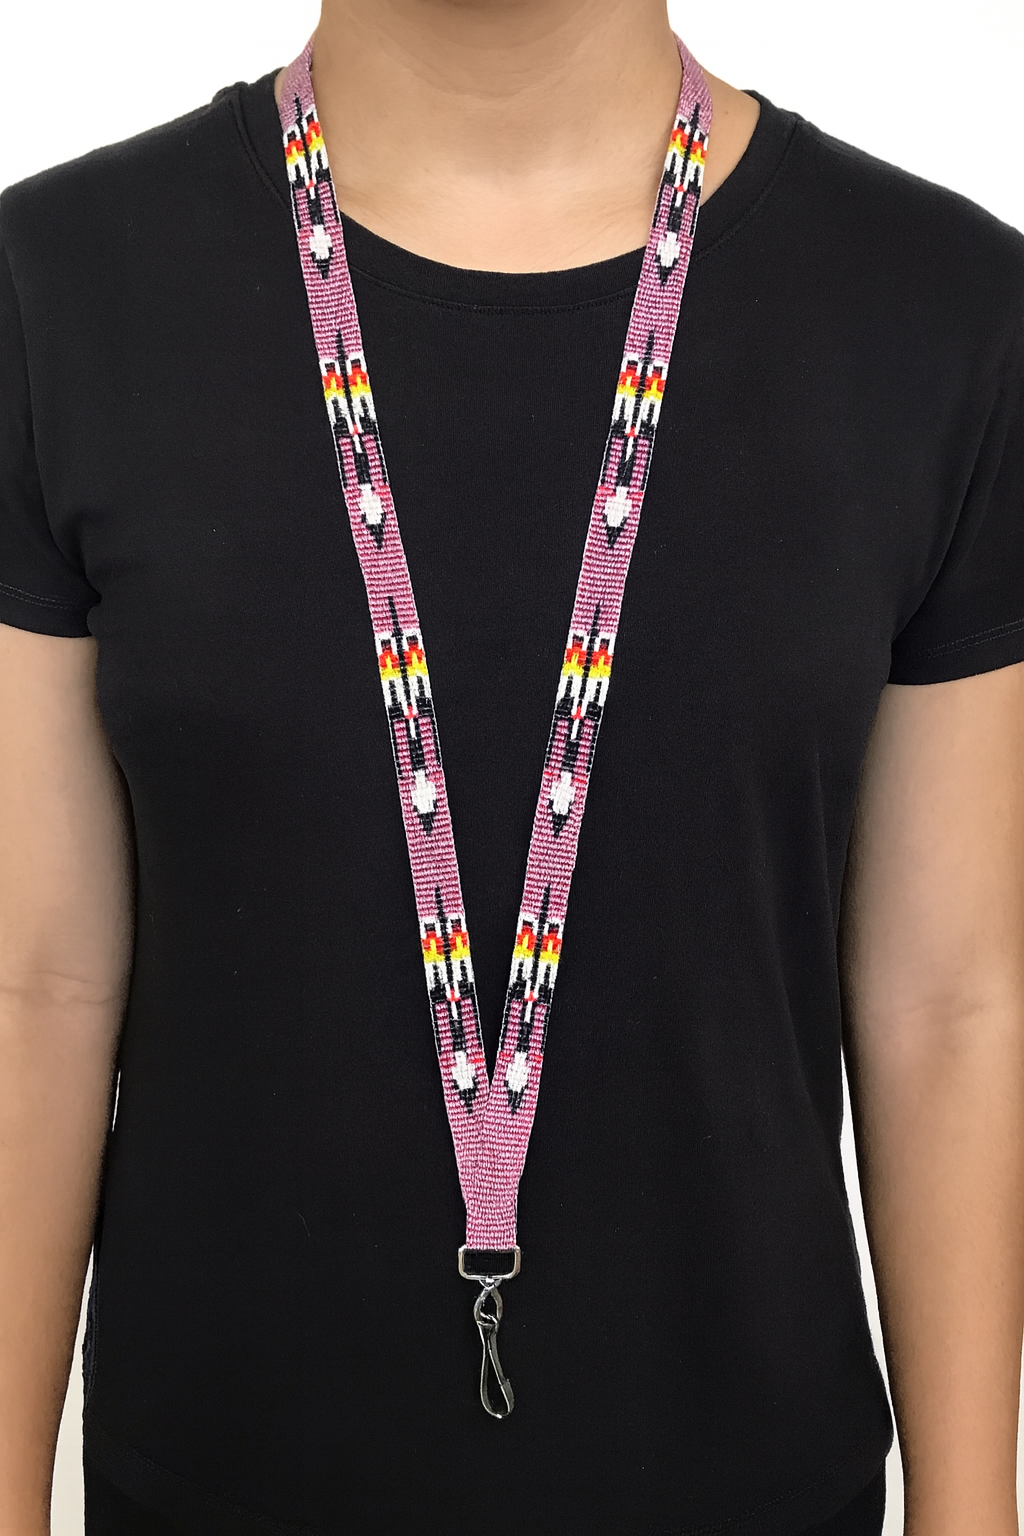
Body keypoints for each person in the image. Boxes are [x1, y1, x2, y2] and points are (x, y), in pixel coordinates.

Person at [1, 0, 1022, 1531]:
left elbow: (950, 1000)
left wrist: (974, 1510)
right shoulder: (58, 288)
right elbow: (34, 984)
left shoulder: (943, 311)